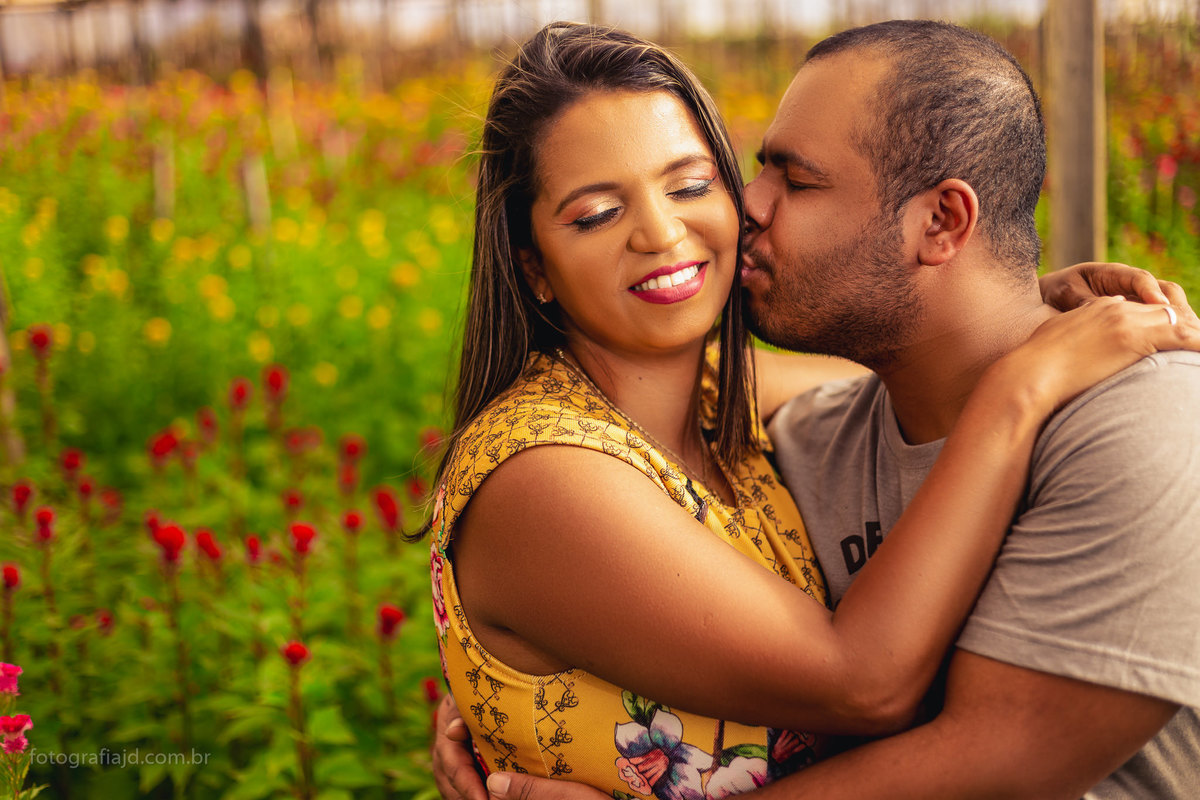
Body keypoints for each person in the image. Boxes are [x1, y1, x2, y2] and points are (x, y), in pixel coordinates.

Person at [423, 21, 1200, 800]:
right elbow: (860, 680)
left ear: (942, 223)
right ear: (535, 268)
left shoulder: (1136, 425)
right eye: (595, 214)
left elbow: (998, 761)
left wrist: (1025, 311)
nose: (742, 207)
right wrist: (514, 691)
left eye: (700, 184)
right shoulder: (793, 441)